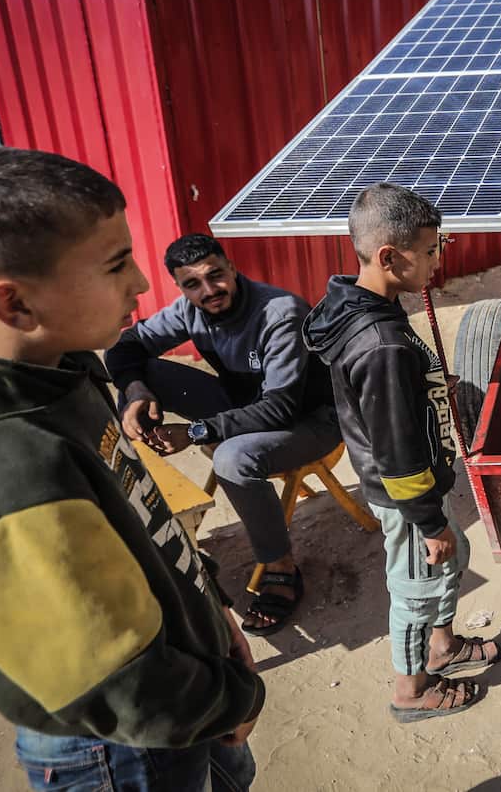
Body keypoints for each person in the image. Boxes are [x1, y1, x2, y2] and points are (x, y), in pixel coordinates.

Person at [0, 148, 264, 790]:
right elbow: (120, 683)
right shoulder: (4, 475)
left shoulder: (61, 367)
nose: (141, 282)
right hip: (122, 750)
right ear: (16, 305)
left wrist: (212, 607)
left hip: (191, 676)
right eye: (115, 265)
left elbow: (139, 517)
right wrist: (230, 700)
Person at [304, 182, 501, 722]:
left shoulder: (367, 307)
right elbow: (395, 449)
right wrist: (427, 520)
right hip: (407, 493)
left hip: (420, 486)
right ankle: (410, 691)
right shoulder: (382, 345)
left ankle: (441, 648)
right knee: (417, 588)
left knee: (451, 557)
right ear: (390, 256)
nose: (439, 261)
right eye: (432, 250)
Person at [105, 233, 340, 636]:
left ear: (232, 268)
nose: (209, 291)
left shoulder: (279, 314)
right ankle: (147, 525)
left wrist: (197, 431)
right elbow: (123, 348)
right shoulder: (189, 309)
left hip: (309, 421)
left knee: (234, 459)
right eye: (193, 284)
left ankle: (281, 568)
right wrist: (137, 393)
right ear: (180, 287)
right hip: (244, 405)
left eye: (216, 276)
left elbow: (279, 408)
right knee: (143, 377)